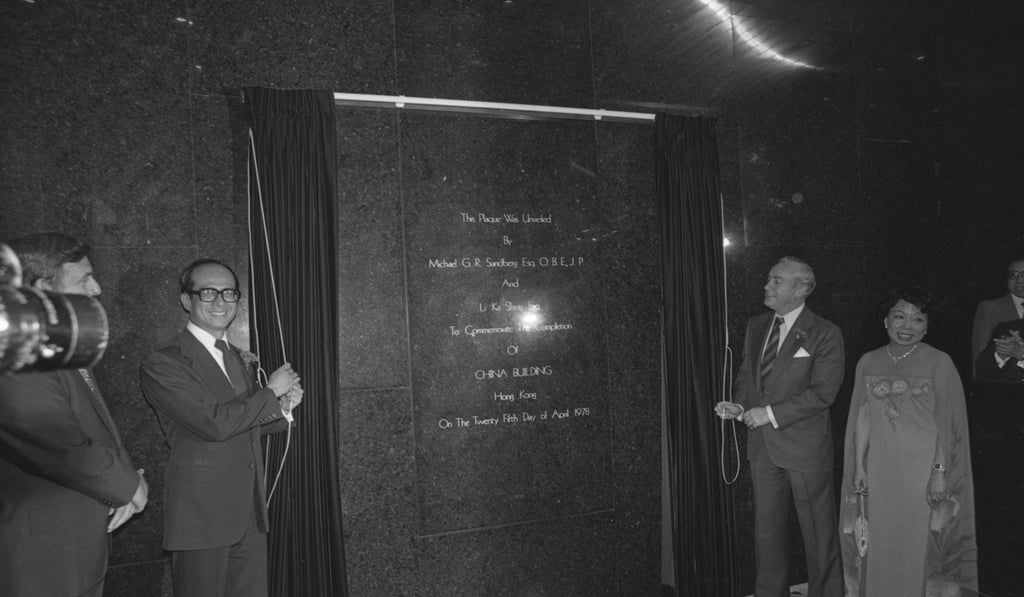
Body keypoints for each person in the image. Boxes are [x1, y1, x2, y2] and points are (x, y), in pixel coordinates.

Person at [139, 258, 302, 597]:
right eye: (209, 292)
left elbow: (245, 423)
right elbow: (214, 424)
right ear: (187, 300)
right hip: (202, 516)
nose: (220, 302)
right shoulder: (164, 362)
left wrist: (283, 409)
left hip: (249, 513)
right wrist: (270, 392)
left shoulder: (237, 357)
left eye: (229, 293)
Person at [0, 232, 148, 597]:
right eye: (83, 279)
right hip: (44, 553)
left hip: (76, 541)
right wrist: (129, 487)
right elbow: (62, 447)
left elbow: (97, 429)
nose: (96, 289)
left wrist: (122, 485)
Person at [715, 256, 844, 597]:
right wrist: (740, 405)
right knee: (766, 533)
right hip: (763, 448)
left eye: (776, 280)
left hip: (805, 448)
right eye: (769, 279)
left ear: (801, 289)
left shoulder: (825, 332)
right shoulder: (757, 325)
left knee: (819, 535)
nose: (766, 286)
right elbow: (747, 376)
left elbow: (823, 394)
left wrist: (768, 413)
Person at [839, 286, 978, 596]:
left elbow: (949, 426)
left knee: (917, 540)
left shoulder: (940, 362)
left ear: (927, 326)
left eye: (917, 319)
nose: (907, 326)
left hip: (922, 470)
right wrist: (859, 465)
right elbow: (863, 416)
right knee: (881, 539)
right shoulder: (868, 361)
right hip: (880, 468)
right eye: (899, 317)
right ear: (885, 322)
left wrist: (939, 471)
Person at [971, 256, 1024, 378]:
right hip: (1004, 387)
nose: (1019, 280)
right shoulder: (989, 308)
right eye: (1013, 275)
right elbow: (979, 353)